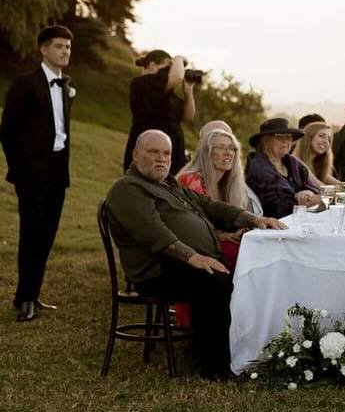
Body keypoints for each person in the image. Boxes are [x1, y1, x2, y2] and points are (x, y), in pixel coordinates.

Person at [104, 130, 284, 378]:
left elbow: (210, 206)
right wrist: (194, 258)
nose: (161, 158)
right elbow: (153, 232)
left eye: (166, 153)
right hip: (156, 270)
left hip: (181, 264)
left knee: (238, 274)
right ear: (135, 155)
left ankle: (241, 350)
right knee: (215, 282)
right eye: (153, 152)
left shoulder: (169, 185)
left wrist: (254, 219)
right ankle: (215, 369)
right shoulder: (128, 188)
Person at [0, 24, 75, 322]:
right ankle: (25, 298)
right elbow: (7, 132)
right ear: (44, 50)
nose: (65, 51)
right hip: (32, 174)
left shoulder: (66, 83)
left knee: (47, 235)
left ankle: (32, 292)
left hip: (58, 172)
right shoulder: (25, 84)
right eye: (59, 46)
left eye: (68, 47)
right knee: (30, 235)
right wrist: (21, 171)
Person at [178, 126, 264, 270]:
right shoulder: (191, 180)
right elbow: (193, 230)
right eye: (222, 148)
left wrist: (241, 230)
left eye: (232, 148)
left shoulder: (232, 185)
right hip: (197, 251)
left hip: (219, 245)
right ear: (207, 152)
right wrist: (224, 236)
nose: (228, 153)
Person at [124, 49, 196, 175]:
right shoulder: (142, 83)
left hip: (170, 153)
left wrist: (188, 91)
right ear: (152, 66)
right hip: (150, 149)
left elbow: (189, 116)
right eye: (168, 67)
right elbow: (177, 76)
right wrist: (178, 58)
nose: (171, 70)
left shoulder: (168, 94)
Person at [244, 118, 324, 219]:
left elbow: (314, 187)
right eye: (280, 137)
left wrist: (309, 193)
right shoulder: (259, 167)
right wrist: (323, 199)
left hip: (298, 220)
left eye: (289, 138)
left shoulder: (291, 162)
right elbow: (283, 207)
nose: (286, 142)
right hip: (273, 228)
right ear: (265, 141)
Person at [291, 121, 341, 187]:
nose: (326, 142)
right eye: (321, 136)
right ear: (309, 137)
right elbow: (322, 188)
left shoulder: (317, 163)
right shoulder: (296, 161)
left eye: (329, 139)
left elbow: (332, 181)